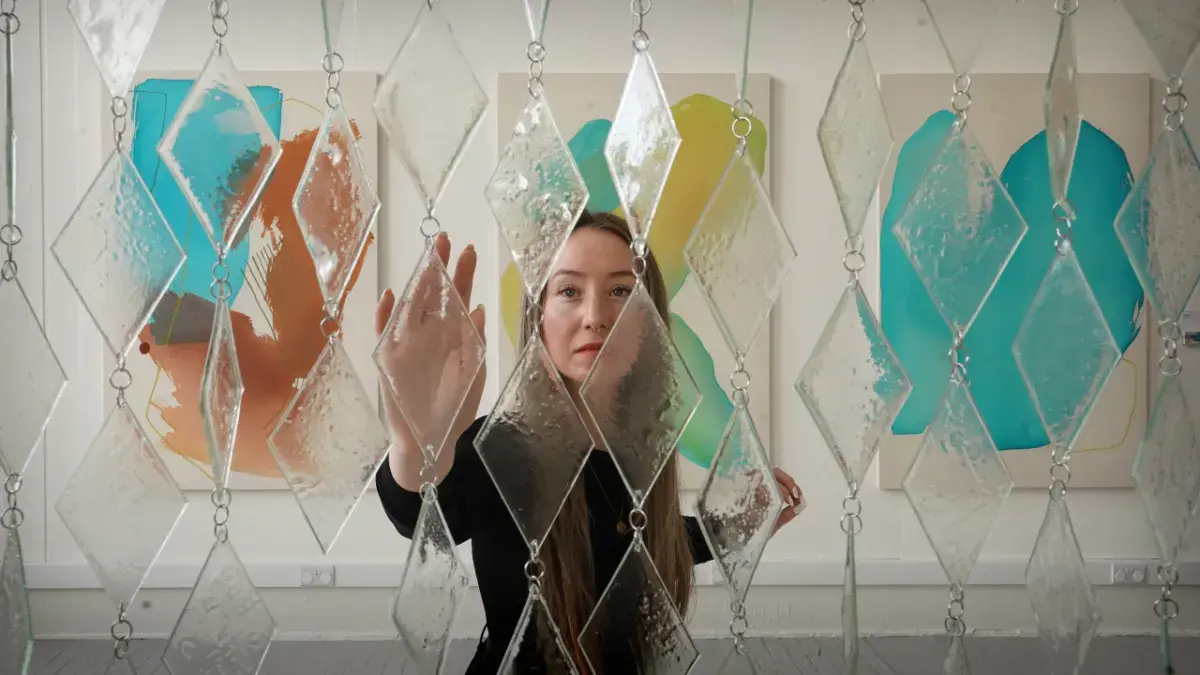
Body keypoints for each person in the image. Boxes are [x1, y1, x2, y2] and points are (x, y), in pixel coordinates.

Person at [374, 211, 803, 674]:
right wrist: (415, 446)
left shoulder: (640, 442)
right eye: (568, 291)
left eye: (620, 290)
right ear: (538, 318)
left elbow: (634, 541)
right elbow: (422, 512)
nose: (596, 317)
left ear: (650, 321)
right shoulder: (503, 445)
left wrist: (732, 525)